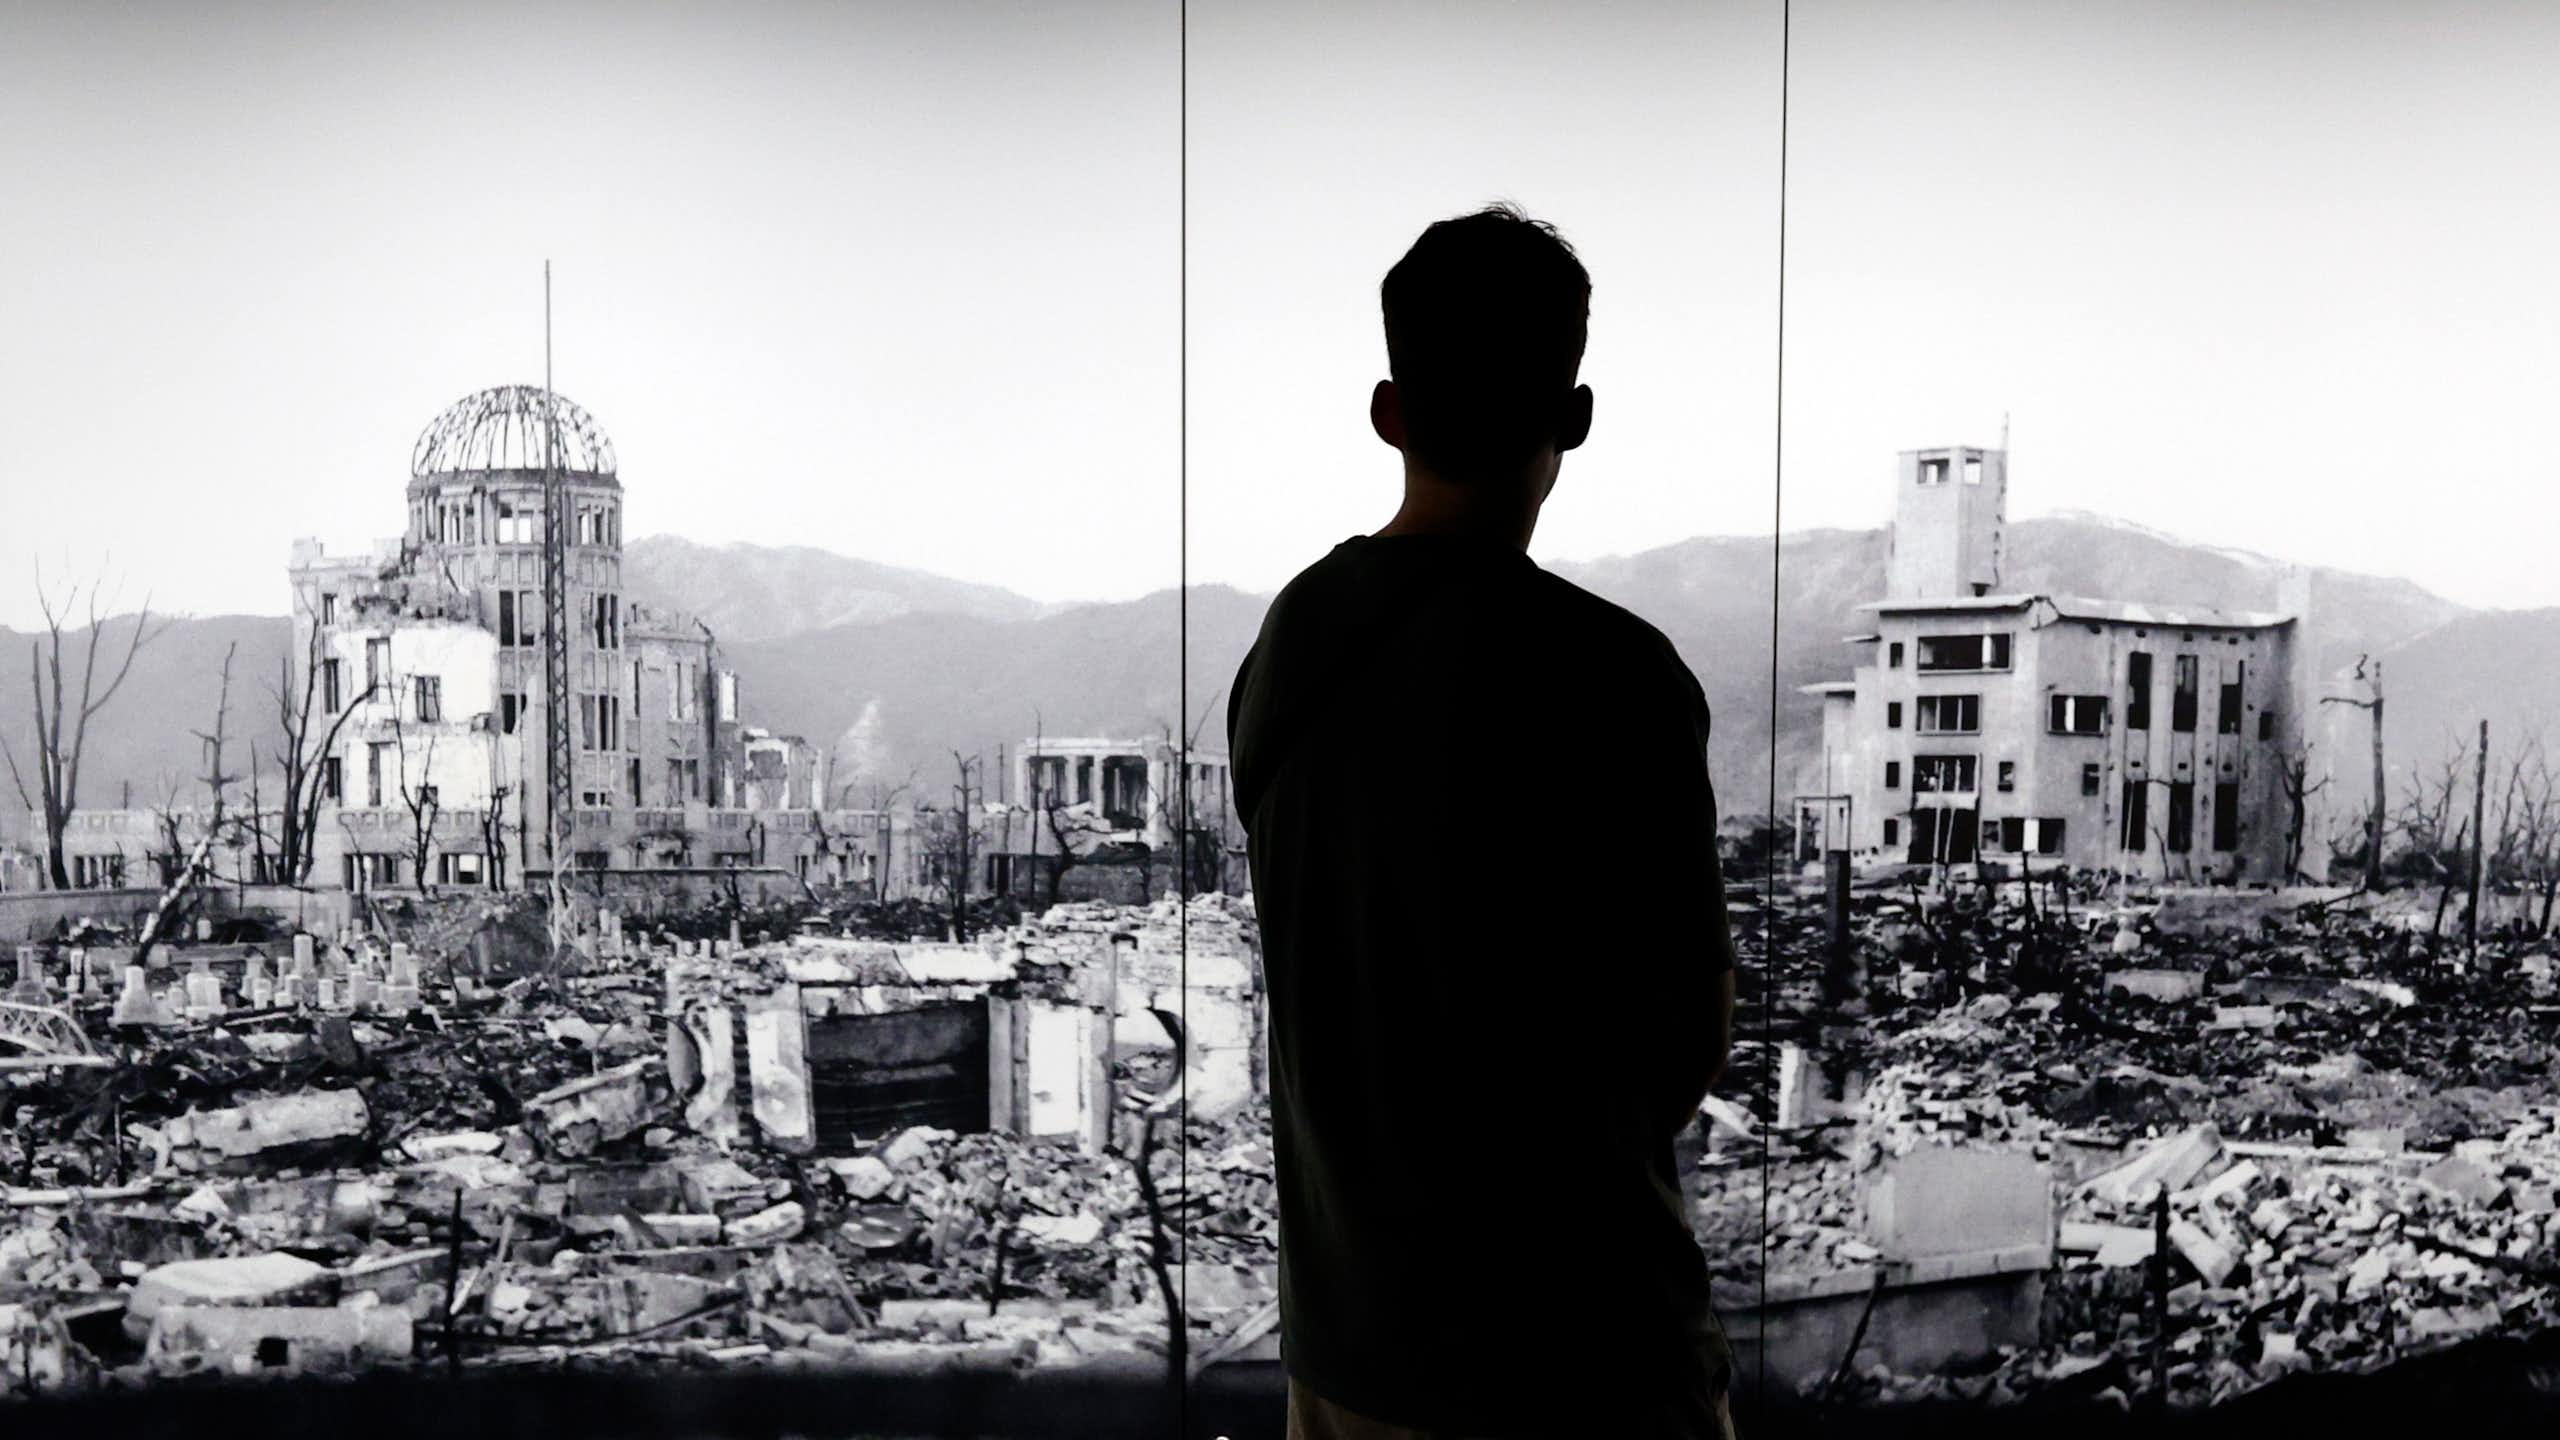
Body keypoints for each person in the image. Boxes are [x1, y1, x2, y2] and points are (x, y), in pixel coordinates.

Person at [1227, 204, 1741, 1440]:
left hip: (1351, 1359)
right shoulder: (1618, 677)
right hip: (1582, 1357)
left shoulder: (1287, 651)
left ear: (1389, 410)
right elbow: (1681, 1043)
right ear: (1572, 417)